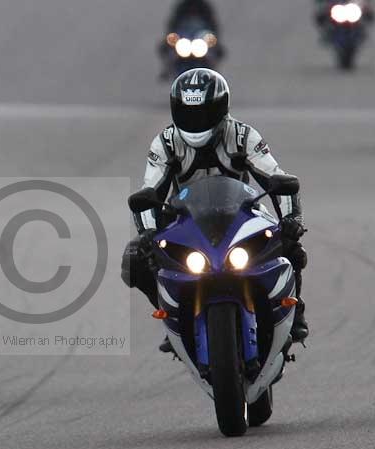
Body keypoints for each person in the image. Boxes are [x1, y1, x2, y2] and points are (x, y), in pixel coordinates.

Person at [121, 68, 309, 348]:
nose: (196, 122)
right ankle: (172, 316)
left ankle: (295, 313)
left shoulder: (244, 135)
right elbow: (150, 188)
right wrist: (148, 232)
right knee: (136, 259)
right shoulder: (165, 143)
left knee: (291, 246)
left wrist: (291, 219)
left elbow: (274, 175)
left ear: (222, 108)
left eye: (204, 113)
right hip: (184, 220)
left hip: (243, 214)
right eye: (188, 113)